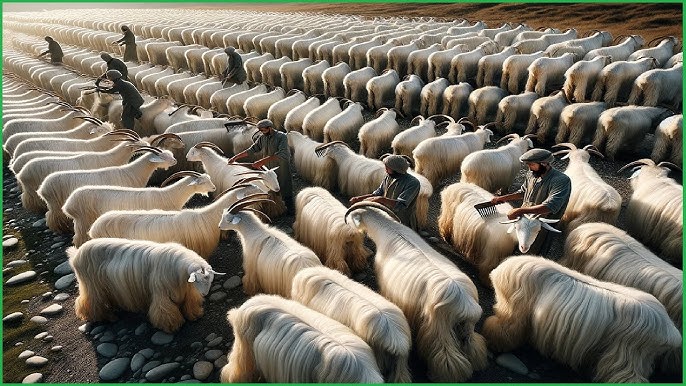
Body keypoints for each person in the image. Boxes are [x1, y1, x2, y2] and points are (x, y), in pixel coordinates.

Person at [490, 148, 572, 255]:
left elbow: (549, 207)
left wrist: (519, 211)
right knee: (519, 242)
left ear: (544, 163)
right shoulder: (532, 174)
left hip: (541, 222)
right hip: (525, 218)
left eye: (531, 164)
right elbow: (523, 192)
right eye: (527, 165)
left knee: (535, 250)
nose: (529, 168)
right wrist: (503, 198)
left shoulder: (560, 180)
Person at [228, 119, 294, 214]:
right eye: (260, 130)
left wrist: (262, 161)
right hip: (268, 166)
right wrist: (235, 157)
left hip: (281, 165)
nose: (262, 132)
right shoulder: (263, 137)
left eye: (263, 130)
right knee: (271, 186)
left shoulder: (281, 137)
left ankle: (290, 209)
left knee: (284, 184)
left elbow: (282, 153)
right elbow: (253, 149)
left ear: (270, 128)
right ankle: (277, 209)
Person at [349, 155, 421, 230]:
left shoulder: (413, 183)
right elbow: (378, 193)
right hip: (386, 214)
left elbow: (401, 205)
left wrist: (381, 199)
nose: (386, 170)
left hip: (401, 220)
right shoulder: (389, 177)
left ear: (396, 169)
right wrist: (358, 198)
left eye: (387, 168)